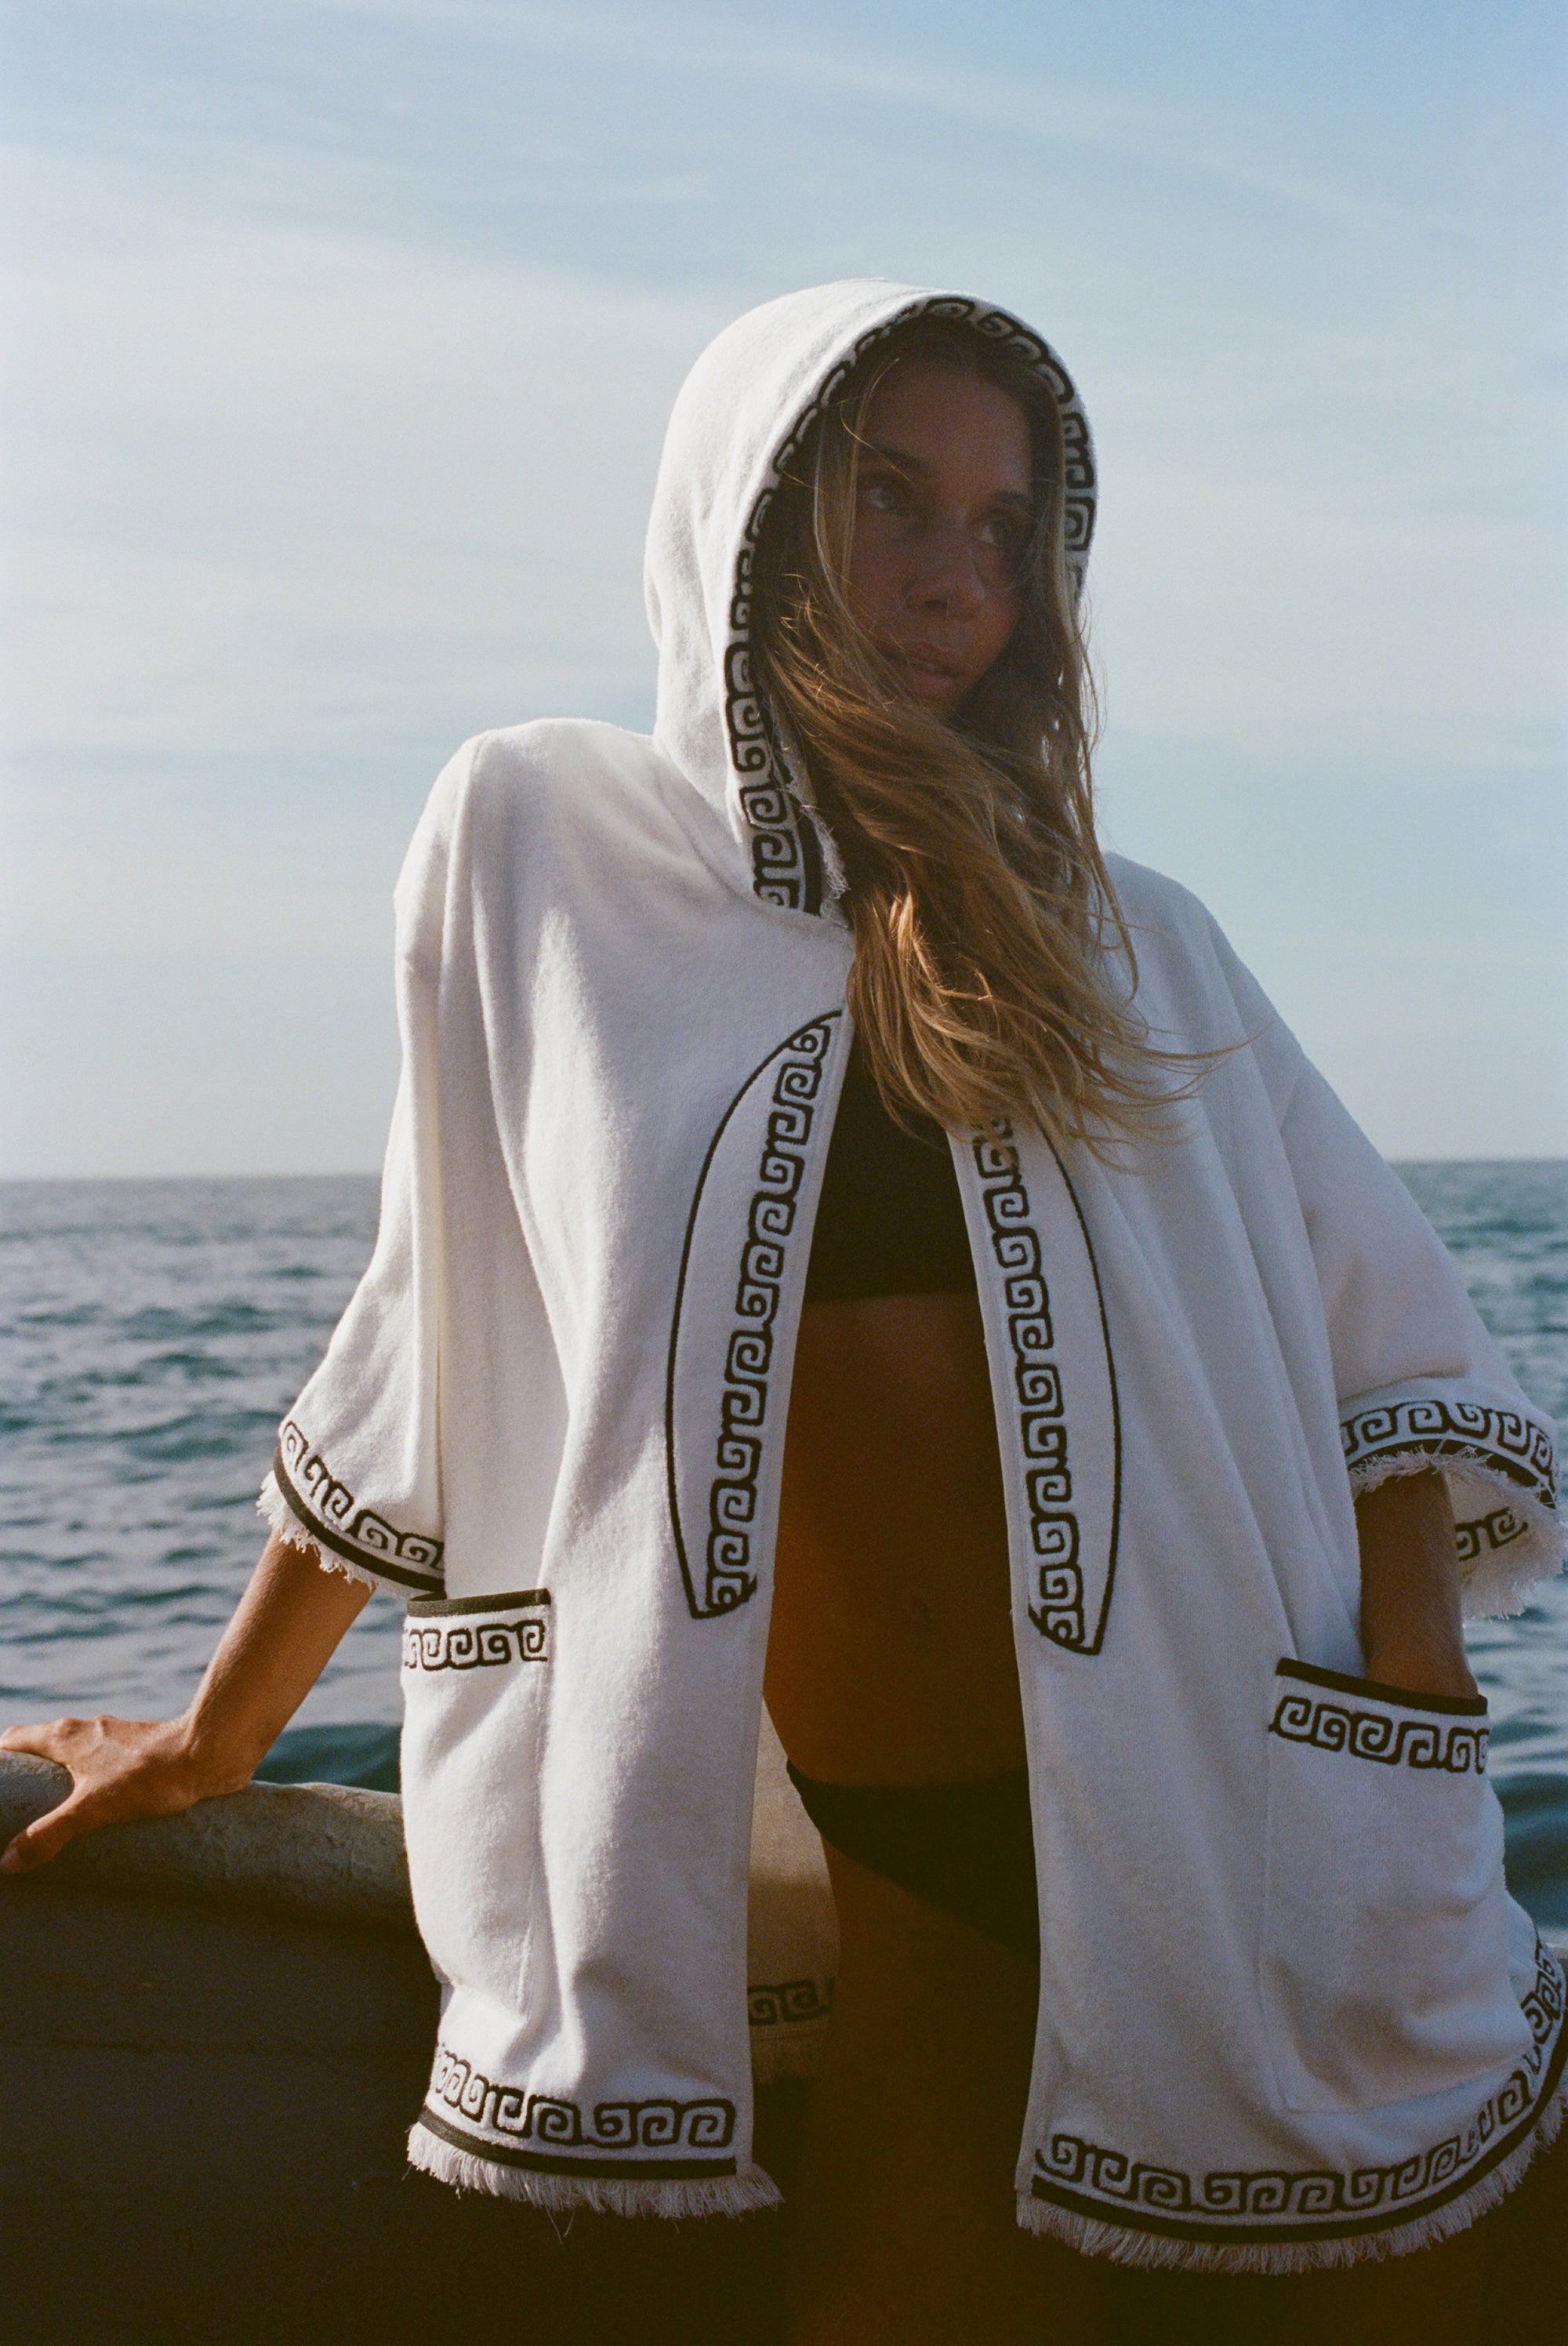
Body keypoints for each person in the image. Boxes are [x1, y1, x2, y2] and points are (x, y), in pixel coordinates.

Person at [4, 280, 1563, 2346]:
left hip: (1241, 1819)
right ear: (742, 517)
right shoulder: (539, 853)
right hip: (909, 1850)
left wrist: (1419, 1697)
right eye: (890, 492)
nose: (953, 572)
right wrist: (222, 1731)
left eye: (1006, 527)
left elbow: (1398, 1350)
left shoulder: (1133, 942)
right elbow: (428, 1331)